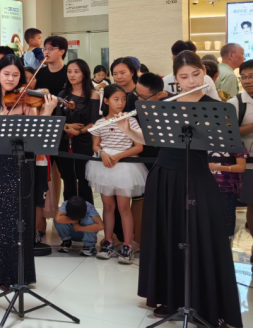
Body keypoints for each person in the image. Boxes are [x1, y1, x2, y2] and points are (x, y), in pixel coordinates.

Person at [117, 51, 242, 326]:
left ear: (204, 73)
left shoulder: (215, 106)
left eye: (196, 74)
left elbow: (224, 143)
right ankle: (170, 298)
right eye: (184, 77)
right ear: (176, 78)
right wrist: (129, 131)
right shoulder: (166, 104)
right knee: (167, 236)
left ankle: (205, 304)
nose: (191, 81)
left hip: (196, 177)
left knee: (200, 237)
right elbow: (152, 140)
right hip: (163, 176)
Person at [0, 54, 58, 290]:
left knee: (20, 220)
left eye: (16, 75)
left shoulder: (26, 103)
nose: (11, 79)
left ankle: (19, 273)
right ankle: (0, 273)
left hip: (21, 166)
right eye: (6, 74)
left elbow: (38, 137)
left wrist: (48, 111)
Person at [87, 84, 146, 264]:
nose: (120, 103)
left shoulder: (131, 121)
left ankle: (127, 245)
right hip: (104, 166)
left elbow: (139, 147)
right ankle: (108, 241)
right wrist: (102, 153)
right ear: (106, 101)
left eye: (123, 99)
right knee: (108, 207)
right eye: (116, 99)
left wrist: (119, 156)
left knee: (124, 207)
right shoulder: (100, 122)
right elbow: (95, 145)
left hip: (124, 166)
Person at [53, 59, 100, 204]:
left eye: (76, 72)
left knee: (84, 181)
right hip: (64, 141)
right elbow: (58, 119)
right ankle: (69, 212)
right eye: (69, 72)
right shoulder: (63, 94)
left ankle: (88, 213)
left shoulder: (93, 95)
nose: (71, 75)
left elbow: (94, 122)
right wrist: (68, 126)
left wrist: (79, 132)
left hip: (84, 141)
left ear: (84, 74)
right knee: (68, 180)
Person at [230, 59, 253, 231]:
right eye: (243, 77)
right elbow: (228, 133)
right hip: (249, 162)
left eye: (251, 76)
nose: (247, 81)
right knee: (252, 203)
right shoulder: (235, 103)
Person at [209, 150, 245, 241]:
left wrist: (217, 167)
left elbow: (241, 167)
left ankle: (227, 246)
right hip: (205, 188)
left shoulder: (235, 144)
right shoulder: (202, 143)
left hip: (227, 188)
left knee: (227, 224)